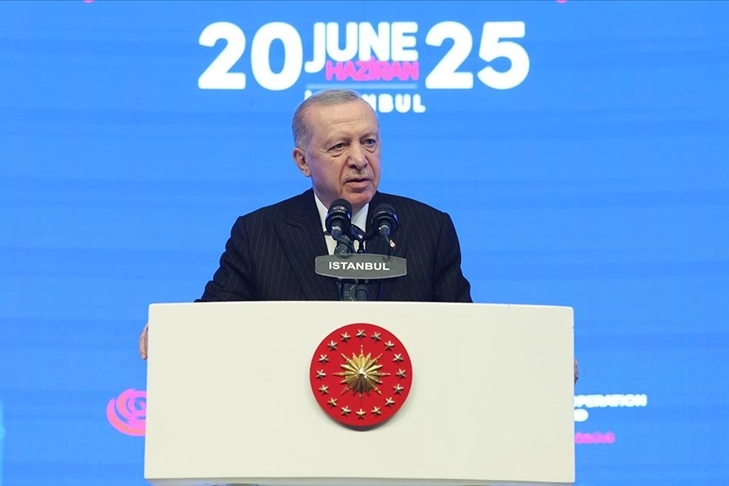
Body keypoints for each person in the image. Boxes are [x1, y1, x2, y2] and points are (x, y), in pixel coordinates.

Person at [138, 89, 578, 384]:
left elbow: (464, 331)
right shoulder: (260, 232)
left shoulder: (428, 227)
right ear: (302, 161)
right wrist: (176, 336)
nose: (360, 159)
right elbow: (216, 317)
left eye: (369, 142)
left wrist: (535, 363)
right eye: (338, 146)